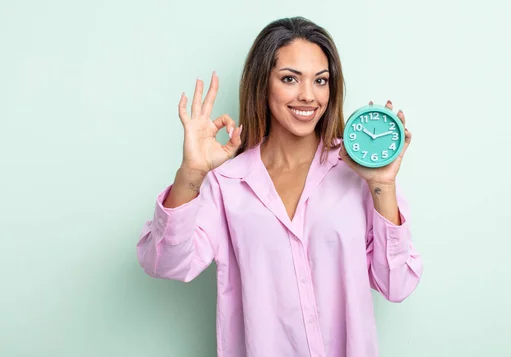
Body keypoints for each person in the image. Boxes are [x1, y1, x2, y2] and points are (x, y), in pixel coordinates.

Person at [137, 16, 422, 357]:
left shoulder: (358, 174)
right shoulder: (228, 183)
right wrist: (191, 173)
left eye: (321, 81)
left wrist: (382, 186)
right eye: (290, 79)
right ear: (263, 83)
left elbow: (397, 284)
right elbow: (166, 263)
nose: (308, 96)